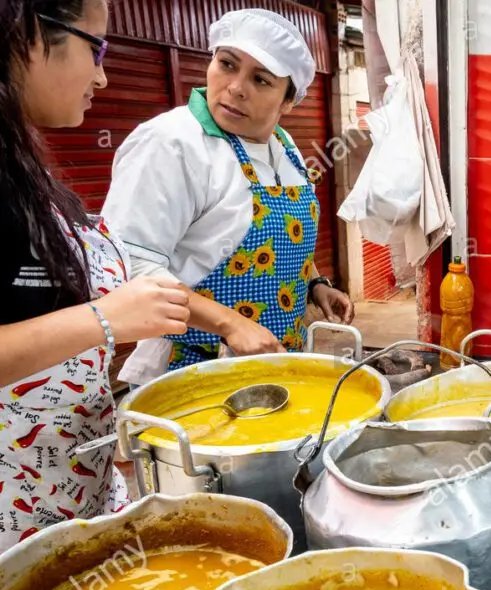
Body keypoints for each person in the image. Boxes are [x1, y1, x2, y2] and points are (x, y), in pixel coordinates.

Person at [0, 0, 191, 551]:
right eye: (96, 47)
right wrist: (104, 318)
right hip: (16, 525)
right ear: (32, 32)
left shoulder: (20, 160)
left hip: (71, 497)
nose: (103, 75)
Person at [102, 8, 355, 384]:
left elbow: (281, 235)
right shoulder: (171, 144)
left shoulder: (284, 146)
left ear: (289, 102)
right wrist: (230, 325)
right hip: (194, 370)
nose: (236, 87)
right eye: (227, 64)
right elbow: (129, 266)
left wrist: (315, 283)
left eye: (261, 79)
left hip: (279, 359)